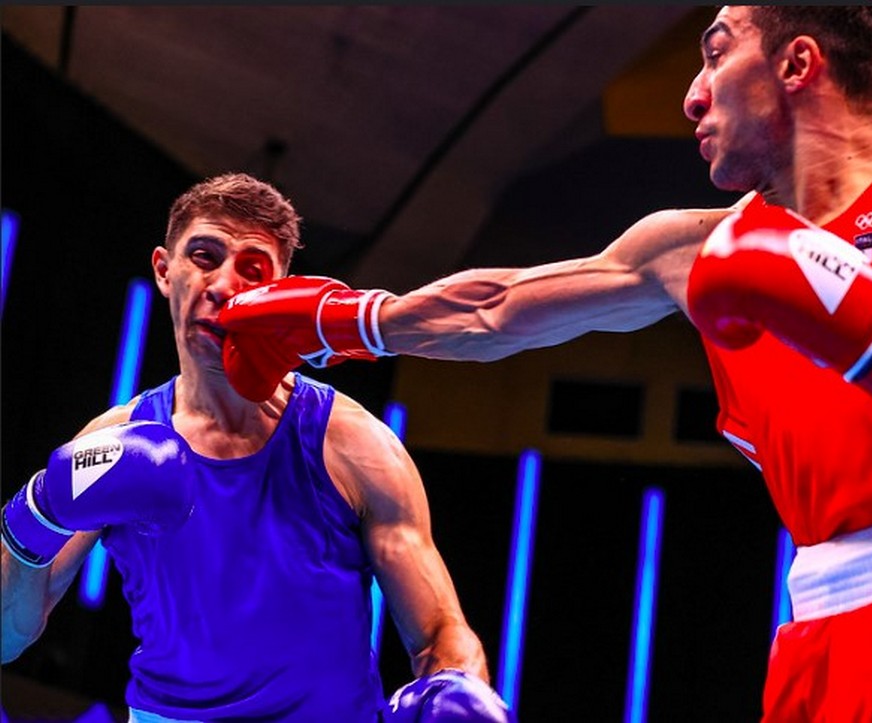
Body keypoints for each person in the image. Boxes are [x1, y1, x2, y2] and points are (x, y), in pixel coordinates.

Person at [218, 6, 872, 720]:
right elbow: (497, 307)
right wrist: (336, 323)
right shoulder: (698, 248)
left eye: (717, 51)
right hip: (818, 640)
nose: (692, 95)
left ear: (798, 62)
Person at [0, 173, 516, 723]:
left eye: (253, 269)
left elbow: (440, 632)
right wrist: (33, 517)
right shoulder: (111, 443)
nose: (225, 285)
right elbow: (8, 639)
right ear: (163, 270)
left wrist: (459, 688)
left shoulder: (352, 443)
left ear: (280, 291)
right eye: (204, 255)